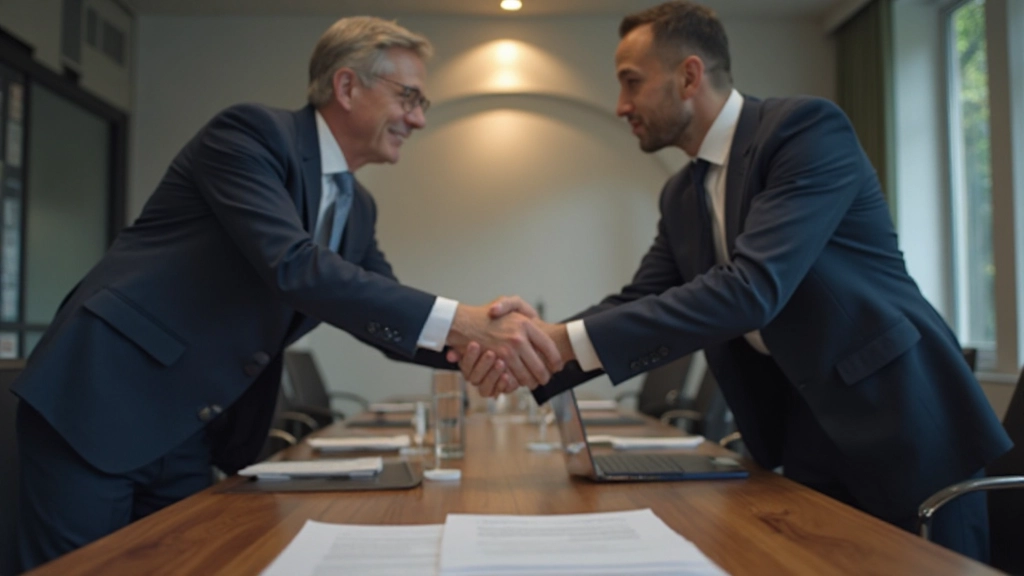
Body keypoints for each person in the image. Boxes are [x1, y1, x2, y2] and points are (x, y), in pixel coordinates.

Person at [453, 1, 1011, 561]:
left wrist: (553, 342)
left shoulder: (803, 131)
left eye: (632, 82)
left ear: (689, 75)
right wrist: (542, 345)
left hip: (903, 423)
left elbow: (752, 290)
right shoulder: (680, 193)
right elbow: (643, 297)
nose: (621, 105)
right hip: (805, 431)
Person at [11, 16, 560, 570]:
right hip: (101, 398)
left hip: (187, 427)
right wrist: (466, 323)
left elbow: (378, 313)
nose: (417, 119)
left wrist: (477, 350)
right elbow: (295, 267)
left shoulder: (357, 206)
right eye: (409, 97)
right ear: (347, 87)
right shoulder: (249, 135)